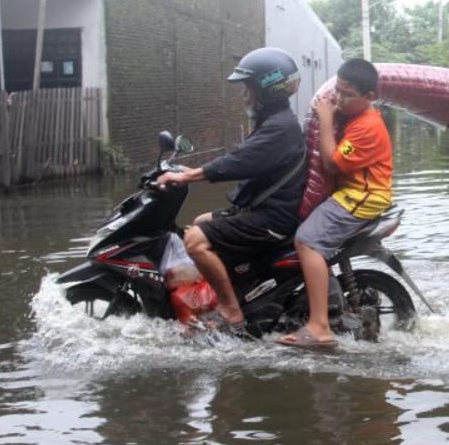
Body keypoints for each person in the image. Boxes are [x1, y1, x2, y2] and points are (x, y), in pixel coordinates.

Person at [156, 47, 306, 336]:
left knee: (195, 241)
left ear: (266, 89)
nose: (244, 95)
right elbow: (242, 157)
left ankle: (231, 311)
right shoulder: (275, 122)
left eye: (248, 87)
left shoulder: (279, 128)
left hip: (274, 218)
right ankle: (240, 288)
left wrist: (190, 175)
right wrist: (189, 172)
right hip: (264, 208)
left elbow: (240, 162)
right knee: (200, 222)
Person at [277, 58, 392, 350]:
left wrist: (327, 119)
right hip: (350, 193)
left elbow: (331, 164)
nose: (339, 99)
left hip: (362, 197)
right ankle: (324, 302)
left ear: (370, 97)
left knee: (307, 241)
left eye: (348, 94)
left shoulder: (367, 127)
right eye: (338, 91)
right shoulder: (354, 117)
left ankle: (319, 328)